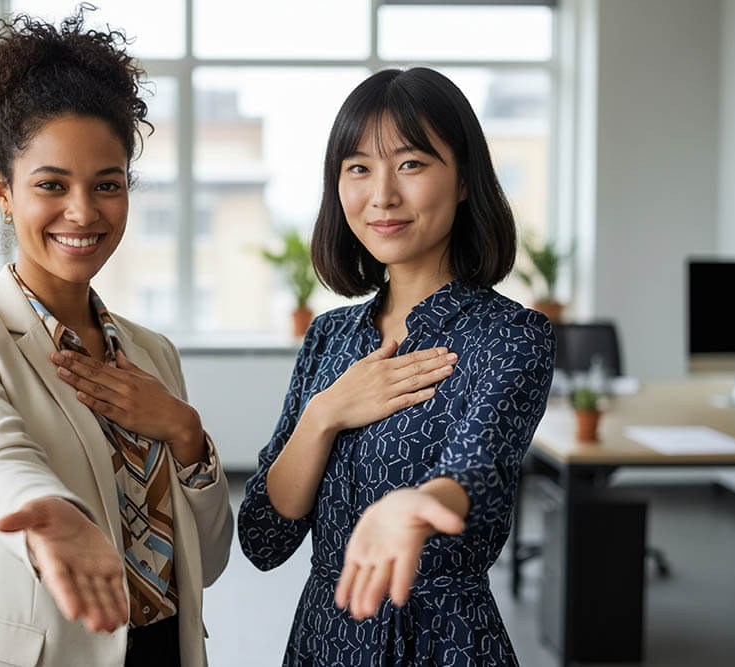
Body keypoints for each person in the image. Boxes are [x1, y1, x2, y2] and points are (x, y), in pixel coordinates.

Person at [0, 8, 232, 667]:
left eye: (107, 184)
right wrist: (46, 510)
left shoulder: (153, 353)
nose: (82, 212)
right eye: (51, 184)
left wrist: (186, 433)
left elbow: (210, 558)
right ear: (4, 191)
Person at [237, 67, 556, 666]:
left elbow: (477, 472)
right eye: (358, 168)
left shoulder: (511, 336)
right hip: (324, 642)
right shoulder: (329, 337)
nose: (381, 195)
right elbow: (263, 537)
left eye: (410, 164)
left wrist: (419, 504)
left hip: (442, 643)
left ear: (464, 180)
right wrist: (325, 413)